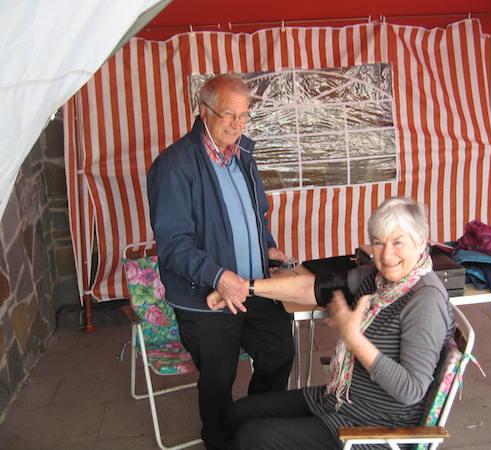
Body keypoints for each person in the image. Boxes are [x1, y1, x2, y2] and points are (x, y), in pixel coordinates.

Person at [209, 197, 455, 449]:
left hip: (373, 427)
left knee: (252, 437)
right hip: (340, 400)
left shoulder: (425, 301)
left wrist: (353, 338)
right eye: (379, 243)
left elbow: (410, 389)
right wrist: (244, 288)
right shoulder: (378, 279)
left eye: (398, 242)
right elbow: (313, 288)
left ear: (422, 242)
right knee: (239, 413)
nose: (386, 254)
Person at [146, 74, 294, 450]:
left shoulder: (243, 154)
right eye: (229, 114)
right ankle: (220, 439)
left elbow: (255, 216)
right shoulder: (174, 166)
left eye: (244, 116)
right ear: (203, 111)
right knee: (219, 374)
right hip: (204, 296)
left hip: (252, 286)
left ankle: (257, 426)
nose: (237, 125)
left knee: (278, 351)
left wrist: (268, 250)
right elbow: (174, 245)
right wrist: (218, 276)